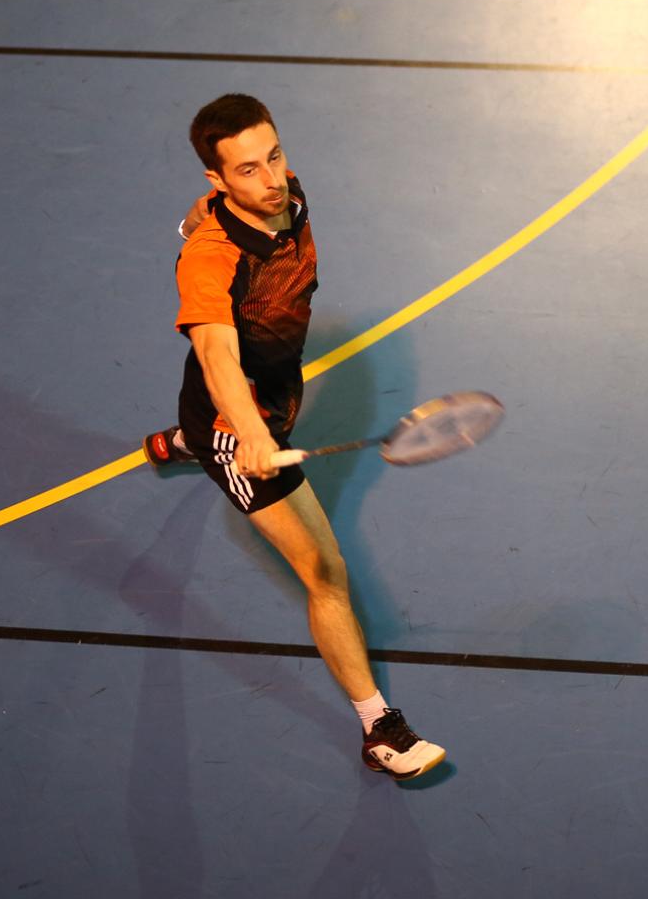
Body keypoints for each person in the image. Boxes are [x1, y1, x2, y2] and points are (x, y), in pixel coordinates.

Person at [143, 93, 446, 781]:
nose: (272, 179)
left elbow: (199, 216)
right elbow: (217, 356)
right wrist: (249, 434)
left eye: (274, 156)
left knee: (209, 422)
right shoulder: (212, 261)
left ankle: (186, 440)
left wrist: (190, 220)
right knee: (326, 574)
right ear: (219, 178)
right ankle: (380, 730)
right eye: (248, 170)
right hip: (238, 424)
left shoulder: (288, 197)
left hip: (275, 395)